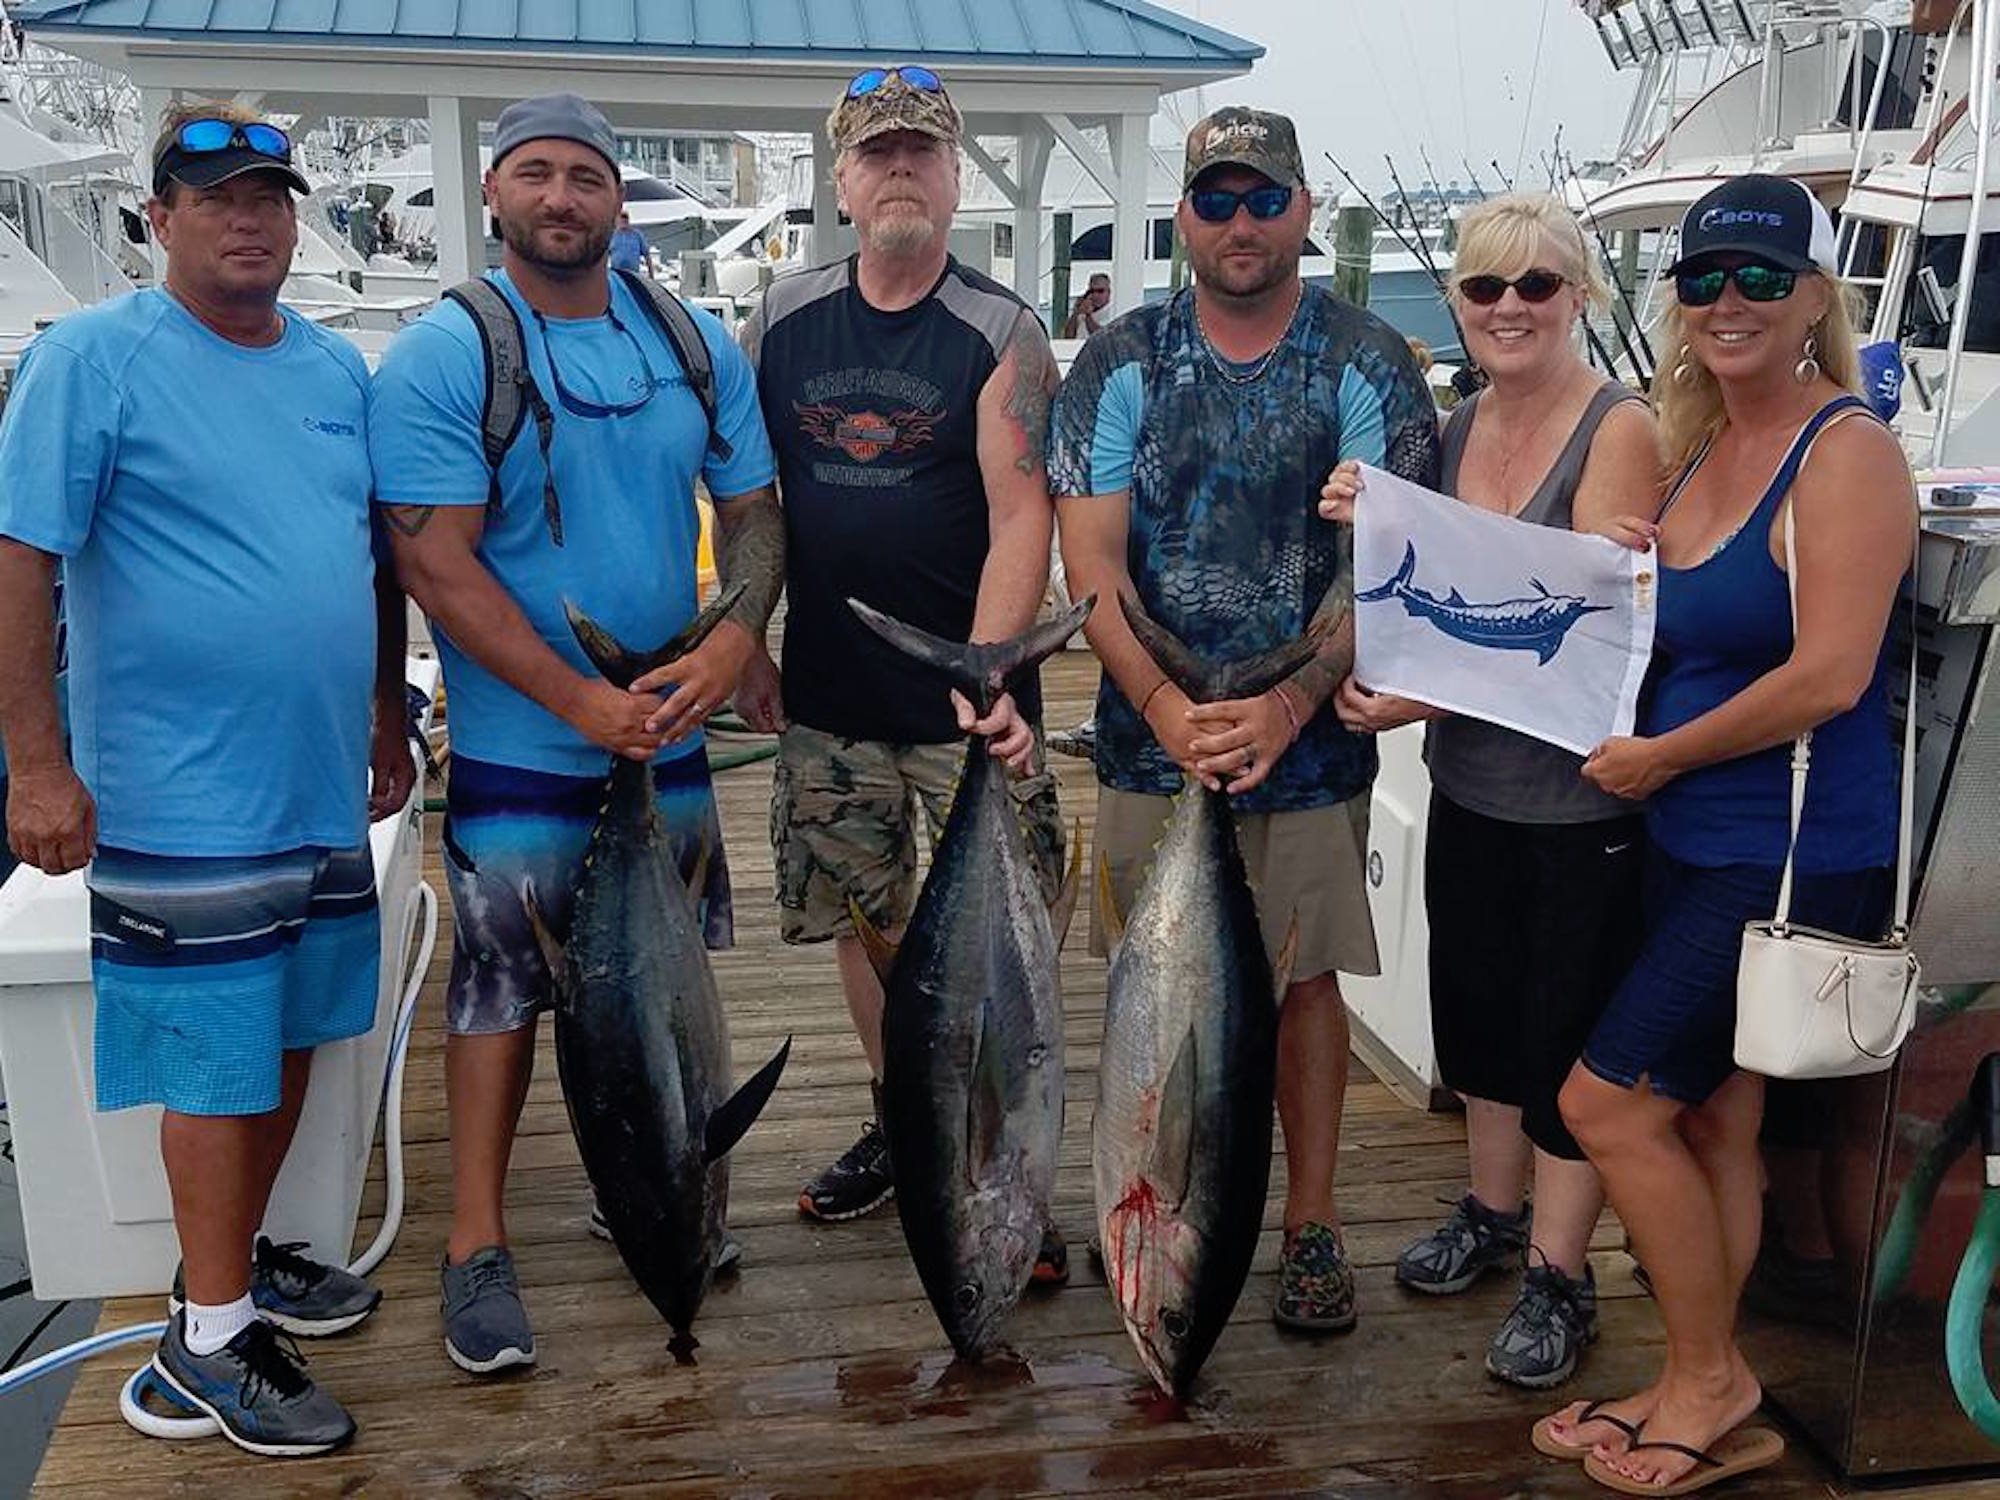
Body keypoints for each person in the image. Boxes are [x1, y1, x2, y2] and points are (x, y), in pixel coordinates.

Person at [0, 100, 413, 1457]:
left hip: (317, 781)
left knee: (290, 1032)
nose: (248, 220)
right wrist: (38, 768)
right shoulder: (91, 358)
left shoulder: (335, 366)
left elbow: (367, 560)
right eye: (217, 196)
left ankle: (225, 1267)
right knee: (218, 1063)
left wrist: (384, 713)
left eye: (269, 198)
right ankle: (211, 1340)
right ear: (158, 217)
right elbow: (21, 561)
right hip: (181, 797)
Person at [368, 92, 781, 1376]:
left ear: (615, 199)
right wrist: (578, 700)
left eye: (586, 176)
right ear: (494, 193)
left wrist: (734, 639)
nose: (561, 197)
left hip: (670, 734)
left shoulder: (690, 340)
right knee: (499, 991)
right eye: (535, 173)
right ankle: (474, 1244)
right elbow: (433, 564)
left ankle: (652, 1177)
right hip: (521, 749)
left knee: (665, 985)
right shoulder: (448, 353)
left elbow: (753, 512)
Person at [1544, 175, 1912, 1490]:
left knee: (1605, 1105)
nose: (1728, 302)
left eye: (1760, 277)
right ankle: (1689, 1368)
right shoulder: (1698, 443)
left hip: (1787, 854)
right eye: (1702, 280)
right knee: (1708, 1127)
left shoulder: (1845, 451)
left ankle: (1711, 1379)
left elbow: (1830, 676)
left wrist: (1660, 757)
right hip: (1691, 837)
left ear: (1816, 298)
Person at [1050, 106, 1440, 1334]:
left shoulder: (1368, 359)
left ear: (1302, 211)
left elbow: (1387, 563)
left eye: (1263, 199)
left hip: (1307, 745)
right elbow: (1090, 565)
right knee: (1146, 984)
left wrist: (1287, 701)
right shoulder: (1119, 360)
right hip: (1147, 743)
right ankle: (1145, 1195)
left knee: (1304, 983)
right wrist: (1166, 706)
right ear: (1182, 216)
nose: (1239, 222)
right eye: (1215, 200)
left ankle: (1309, 1220)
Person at [1320, 192, 1663, 1389]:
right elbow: (1442, 597)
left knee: (1564, 1038)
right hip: (1469, 788)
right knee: (1476, 1017)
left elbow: (1580, 630)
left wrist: (1412, 700)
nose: (1507, 307)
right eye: (1482, 287)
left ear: (1580, 295)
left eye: (1535, 285)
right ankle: (1490, 1209)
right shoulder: (1453, 427)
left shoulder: (1618, 427)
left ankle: (1561, 1276)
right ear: (1456, 303)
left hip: (1582, 809)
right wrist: (1367, 514)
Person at [735, 64, 1066, 1273]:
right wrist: (745, 638)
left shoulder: (1001, 330)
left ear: (954, 175)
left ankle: (1002, 1154)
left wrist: (985, 672)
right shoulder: (777, 319)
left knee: (1001, 942)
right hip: (829, 697)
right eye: (876, 154)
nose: (898, 173)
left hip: (971, 709)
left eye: (920, 152)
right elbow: (751, 501)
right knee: (864, 926)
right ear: (840, 180)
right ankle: (901, 1122)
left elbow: (1021, 514)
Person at [1063, 272, 1111, 339]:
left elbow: (1101, 336)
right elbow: (1068, 337)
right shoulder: (1083, 312)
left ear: (1109, 292)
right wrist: (1076, 312)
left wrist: (1088, 316)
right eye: (1092, 291)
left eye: (1100, 291)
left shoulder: (1112, 311)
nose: (1095, 295)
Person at [609, 209, 647, 275]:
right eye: (621, 219)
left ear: (628, 220)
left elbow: (647, 254)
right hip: (616, 274)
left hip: (633, 274)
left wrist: (651, 276)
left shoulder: (637, 235)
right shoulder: (611, 235)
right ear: (617, 220)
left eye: (625, 219)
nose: (623, 221)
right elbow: (604, 256)